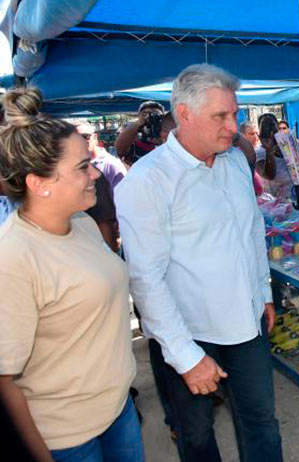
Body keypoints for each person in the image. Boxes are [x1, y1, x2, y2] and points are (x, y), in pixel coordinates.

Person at [115, 64, 282, 462]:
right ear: (185, 115)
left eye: (236, 113)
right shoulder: (148, 180)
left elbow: (251, 234)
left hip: (246, 322)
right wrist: (187, 358)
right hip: (188, 334)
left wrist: (264, 291)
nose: (234, 126)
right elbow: (146, 279)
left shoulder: (236, 162)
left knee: (261, 421)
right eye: (221, 116)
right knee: (196, 434)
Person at [0, 86, 141, 462]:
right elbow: (5, 379)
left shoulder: (81, 223)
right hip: (66, 438)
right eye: (82, 167)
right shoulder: (12, 256)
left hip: (118, 411)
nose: (96, 172)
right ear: (39, 184)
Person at [77, 122, 128, 198]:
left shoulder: (111, 165)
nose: (80, 141)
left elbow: (124, 199)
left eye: (85, 136)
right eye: (75, 138)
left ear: (94, 137)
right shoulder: (72, 165)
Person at [114, 100, 166, 165]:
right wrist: (139, 123)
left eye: (156, 114)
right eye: (145, 113)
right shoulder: (133, 134)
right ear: (139, 116)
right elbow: (120, 150)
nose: (150, 116)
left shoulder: (166, 134)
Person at [256, 113, 293, 201]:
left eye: (273, 127)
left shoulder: (287, 149)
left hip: (294, 199)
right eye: (266, 129)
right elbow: (269, 175)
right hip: (274, 204)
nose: (271, 133)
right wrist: (269, 150)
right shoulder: (259, 153)